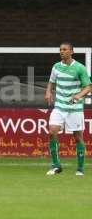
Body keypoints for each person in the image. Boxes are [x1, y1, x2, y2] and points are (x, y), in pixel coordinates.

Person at [45, 42, 91, 176]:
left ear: (71, 51)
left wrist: (78, 95)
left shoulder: (79, 68)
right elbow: (51, 82)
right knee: (52, 131)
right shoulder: (56, 67)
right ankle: (56, 166)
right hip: (59, 106)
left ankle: (80, 168)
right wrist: (48, 92)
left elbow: (88, 86)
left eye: (65, 49)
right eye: (60, 49)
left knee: (78, 137)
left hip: (74, 108)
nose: (62, 52)